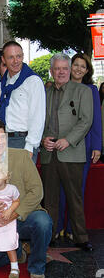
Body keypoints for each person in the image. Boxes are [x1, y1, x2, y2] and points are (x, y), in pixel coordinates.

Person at [0, 118, 52, 278]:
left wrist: (14, 213)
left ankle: (37, 267)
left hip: (24, 218)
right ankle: (17, 251)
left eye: (3, 137)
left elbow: (36, 190)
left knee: (43, 222)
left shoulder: (21, 156)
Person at [40, 53, 94, 251]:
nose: (61, 72)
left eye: (64, 68)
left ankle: (81, 237)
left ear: (69, 70)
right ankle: (51, 234)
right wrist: (42, 139)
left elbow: (86, 120)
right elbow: (38, 121)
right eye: (57, 68)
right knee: (50, 198)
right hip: (48, 152)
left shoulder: (82, 91)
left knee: (74, 197)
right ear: (51, 71)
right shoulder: (44, 93)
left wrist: (68, 140)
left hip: (71, 151)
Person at [57, 53, 102, 238]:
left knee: (77, 190)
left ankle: (71, 229)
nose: (78, 69)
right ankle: (57, 226)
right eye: (75, 64)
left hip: (85, 146)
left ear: (87, 70)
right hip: (61, 145)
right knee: (59, 189)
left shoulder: (91, 90)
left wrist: (98, 146)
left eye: (83, 66)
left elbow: (96, 121)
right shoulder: (61, 87)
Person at [0, 40, 46, 163]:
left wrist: (30, 146)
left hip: (22, 141)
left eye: (19, 56)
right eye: (11, 57)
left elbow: (38, 116)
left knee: (20, 182)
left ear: (23, 56)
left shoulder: (33, 81)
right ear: (3, 59)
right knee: (3, 181)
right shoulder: (3, 83)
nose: (16, 61)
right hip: (3, 140)